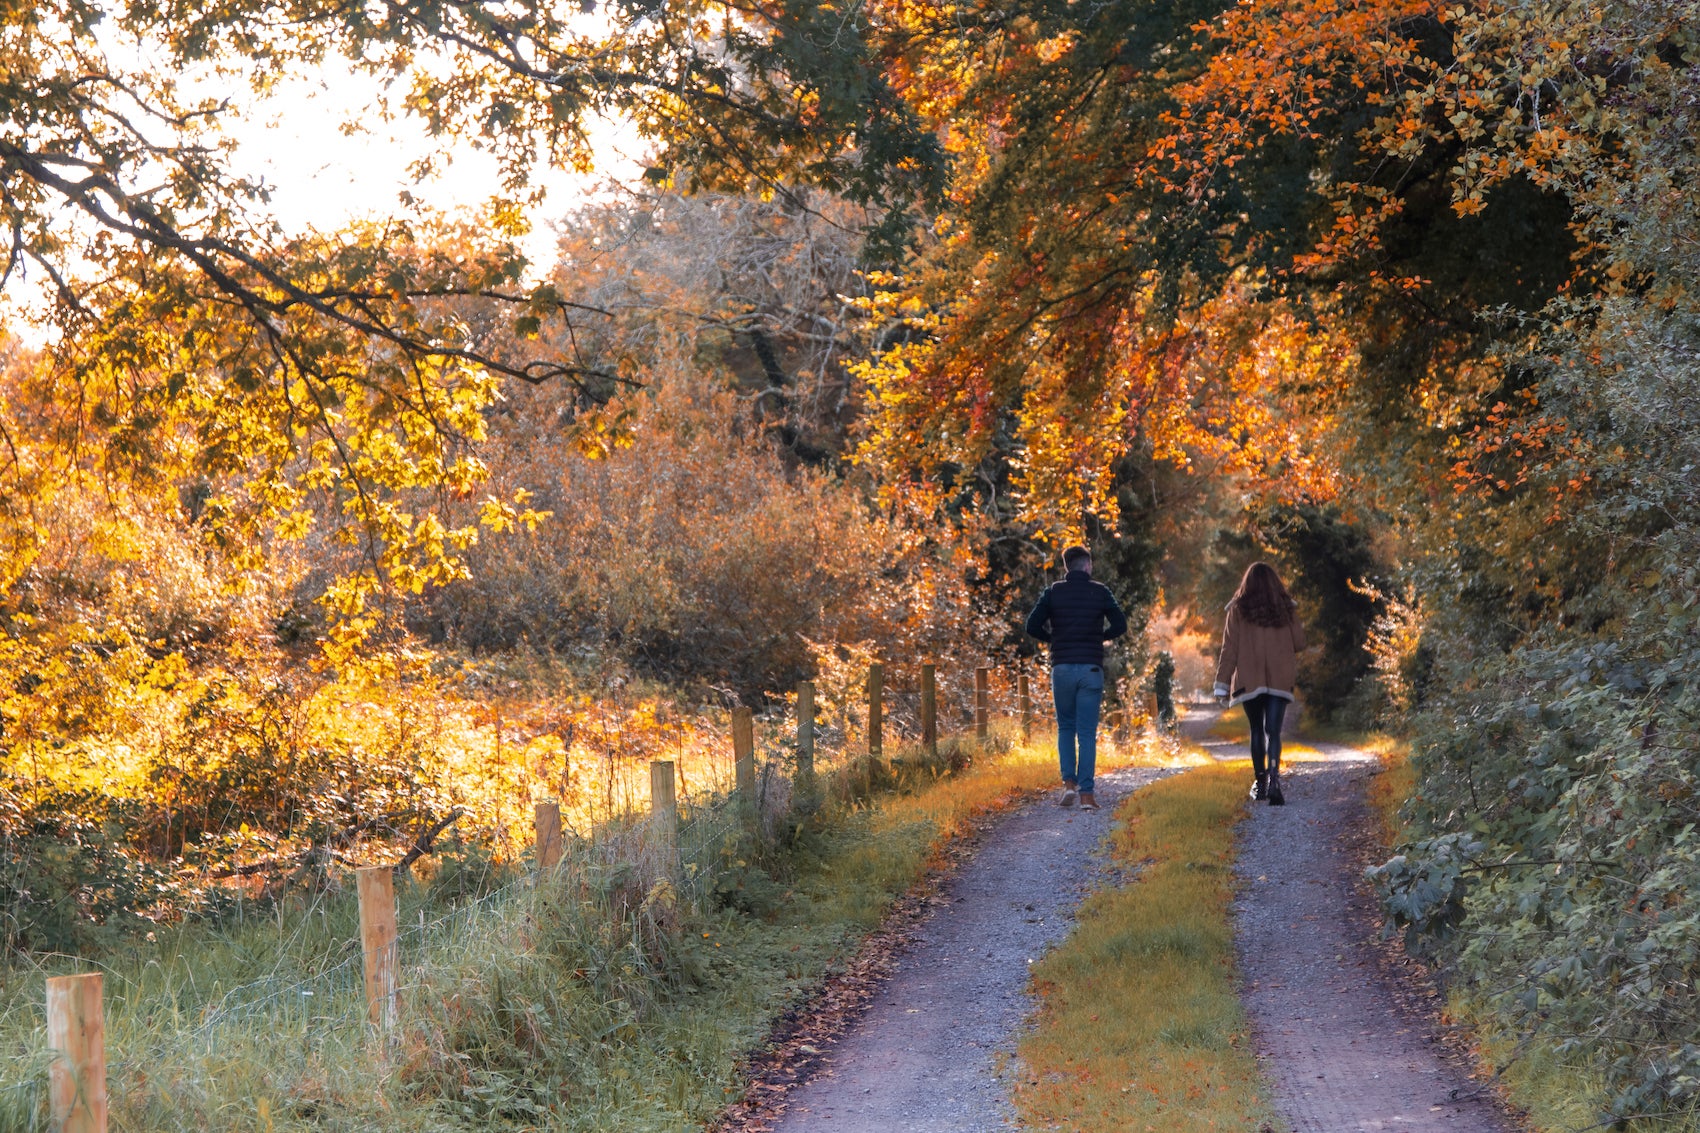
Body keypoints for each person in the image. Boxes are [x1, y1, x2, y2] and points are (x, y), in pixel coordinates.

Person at [1024, 545, 1129, 810]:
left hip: (1062, 668)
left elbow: (1031, 625)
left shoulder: (1053, 592)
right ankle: (1086, 795)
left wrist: (1053, 640)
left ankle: (1068, 784)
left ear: (1067, 567)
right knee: (1086, 733)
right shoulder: (1101, 591)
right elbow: (1120, 625)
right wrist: (1098, 638)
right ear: (1088, 565)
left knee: (1066, 727)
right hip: (1091, 669)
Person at [1213, 562, 1306, 805]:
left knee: (1256, 730)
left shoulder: (1238, 609)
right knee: (1273, 731)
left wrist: (1221, 683)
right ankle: (1275, 778)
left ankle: (1261, 783)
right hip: (1279, 677)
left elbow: (1229, 649)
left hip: (1249, 677)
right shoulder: (1286, 609)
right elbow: (1300, 642)